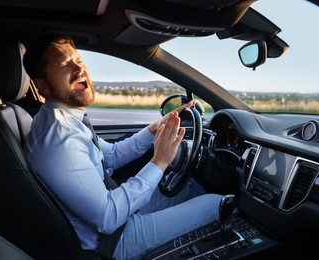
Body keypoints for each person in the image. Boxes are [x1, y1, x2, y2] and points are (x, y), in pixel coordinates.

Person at [23, 34, 222, 259]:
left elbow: (111, 156)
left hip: (113, 215)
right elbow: (108, 218)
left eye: (78, 61)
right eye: (64, 65)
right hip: (112, 241)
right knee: (215, 205)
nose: (79, 69)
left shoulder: (66, 119)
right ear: (42, 86)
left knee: (190, 189)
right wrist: (160, 161)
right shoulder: (59, 139)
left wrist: (152, 131)